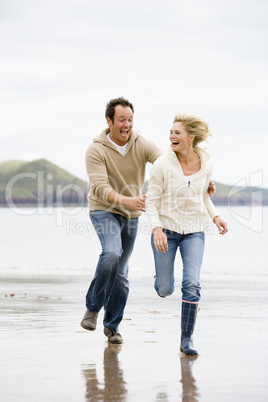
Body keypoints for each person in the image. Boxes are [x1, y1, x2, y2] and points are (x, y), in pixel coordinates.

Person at [80, 97, 162, 343]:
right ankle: (93, 308)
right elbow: (101, 188)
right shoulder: (95, 149)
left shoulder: (141, 144)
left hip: (132, 214)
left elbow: (167, 163)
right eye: (121, 120)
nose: (127, 125)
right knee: (112, 253)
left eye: (130, 120)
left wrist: (199, 178)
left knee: (122, 274)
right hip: (103, 209)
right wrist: (129, 201)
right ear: (109, 121)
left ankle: (112, 326)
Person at [146, 113, 228, 356]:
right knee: (164, 289)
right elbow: (151, 201)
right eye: (171, 132)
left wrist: (215, 216)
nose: (172, 136)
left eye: (177, 132)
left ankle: (186, 340)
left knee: (191, 284)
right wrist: (157, 228)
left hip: (195, 232)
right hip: (166, 232)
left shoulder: (207, 163)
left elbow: (203, 195)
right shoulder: (162, 164)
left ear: (190, 138)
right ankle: (161, 276)